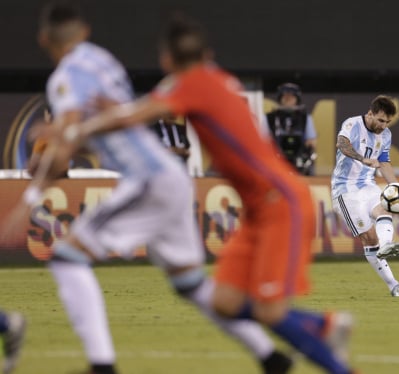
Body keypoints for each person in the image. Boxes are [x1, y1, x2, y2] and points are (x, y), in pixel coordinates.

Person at [34, 13, 357, 374]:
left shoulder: (189, 86)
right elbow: (138, 110)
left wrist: (71, 131)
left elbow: (135, 117)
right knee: (221, 299)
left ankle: (331, 345)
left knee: (270, 312)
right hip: (261, 206)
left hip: (279, 201)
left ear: (166, 60)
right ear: (208, 53)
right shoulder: (216, 79)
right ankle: (309, 335)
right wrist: (118, 112)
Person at [331, 95, 399, 298]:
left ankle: (386, 246)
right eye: (381, 120)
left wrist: (396, 186)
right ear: (370, 114)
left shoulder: (386, 135)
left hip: (368, 185)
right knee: (369, 238)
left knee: (385, 208)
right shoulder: (352, 124)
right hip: (345, 190)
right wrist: (362, 159)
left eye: (388, 122)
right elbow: (341, 144)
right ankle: (393, 284)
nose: (384, 125)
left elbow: (384, 162)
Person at [263, 83, 317, 175]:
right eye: (285, 96)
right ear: (280, 98)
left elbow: (311, 142)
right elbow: (263, 140)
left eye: (291, 97)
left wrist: (305, 153)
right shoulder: (269, 118)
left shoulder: (305, 118)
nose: (288, 99)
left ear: (297, 99)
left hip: (300, 159)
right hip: (276, 159)